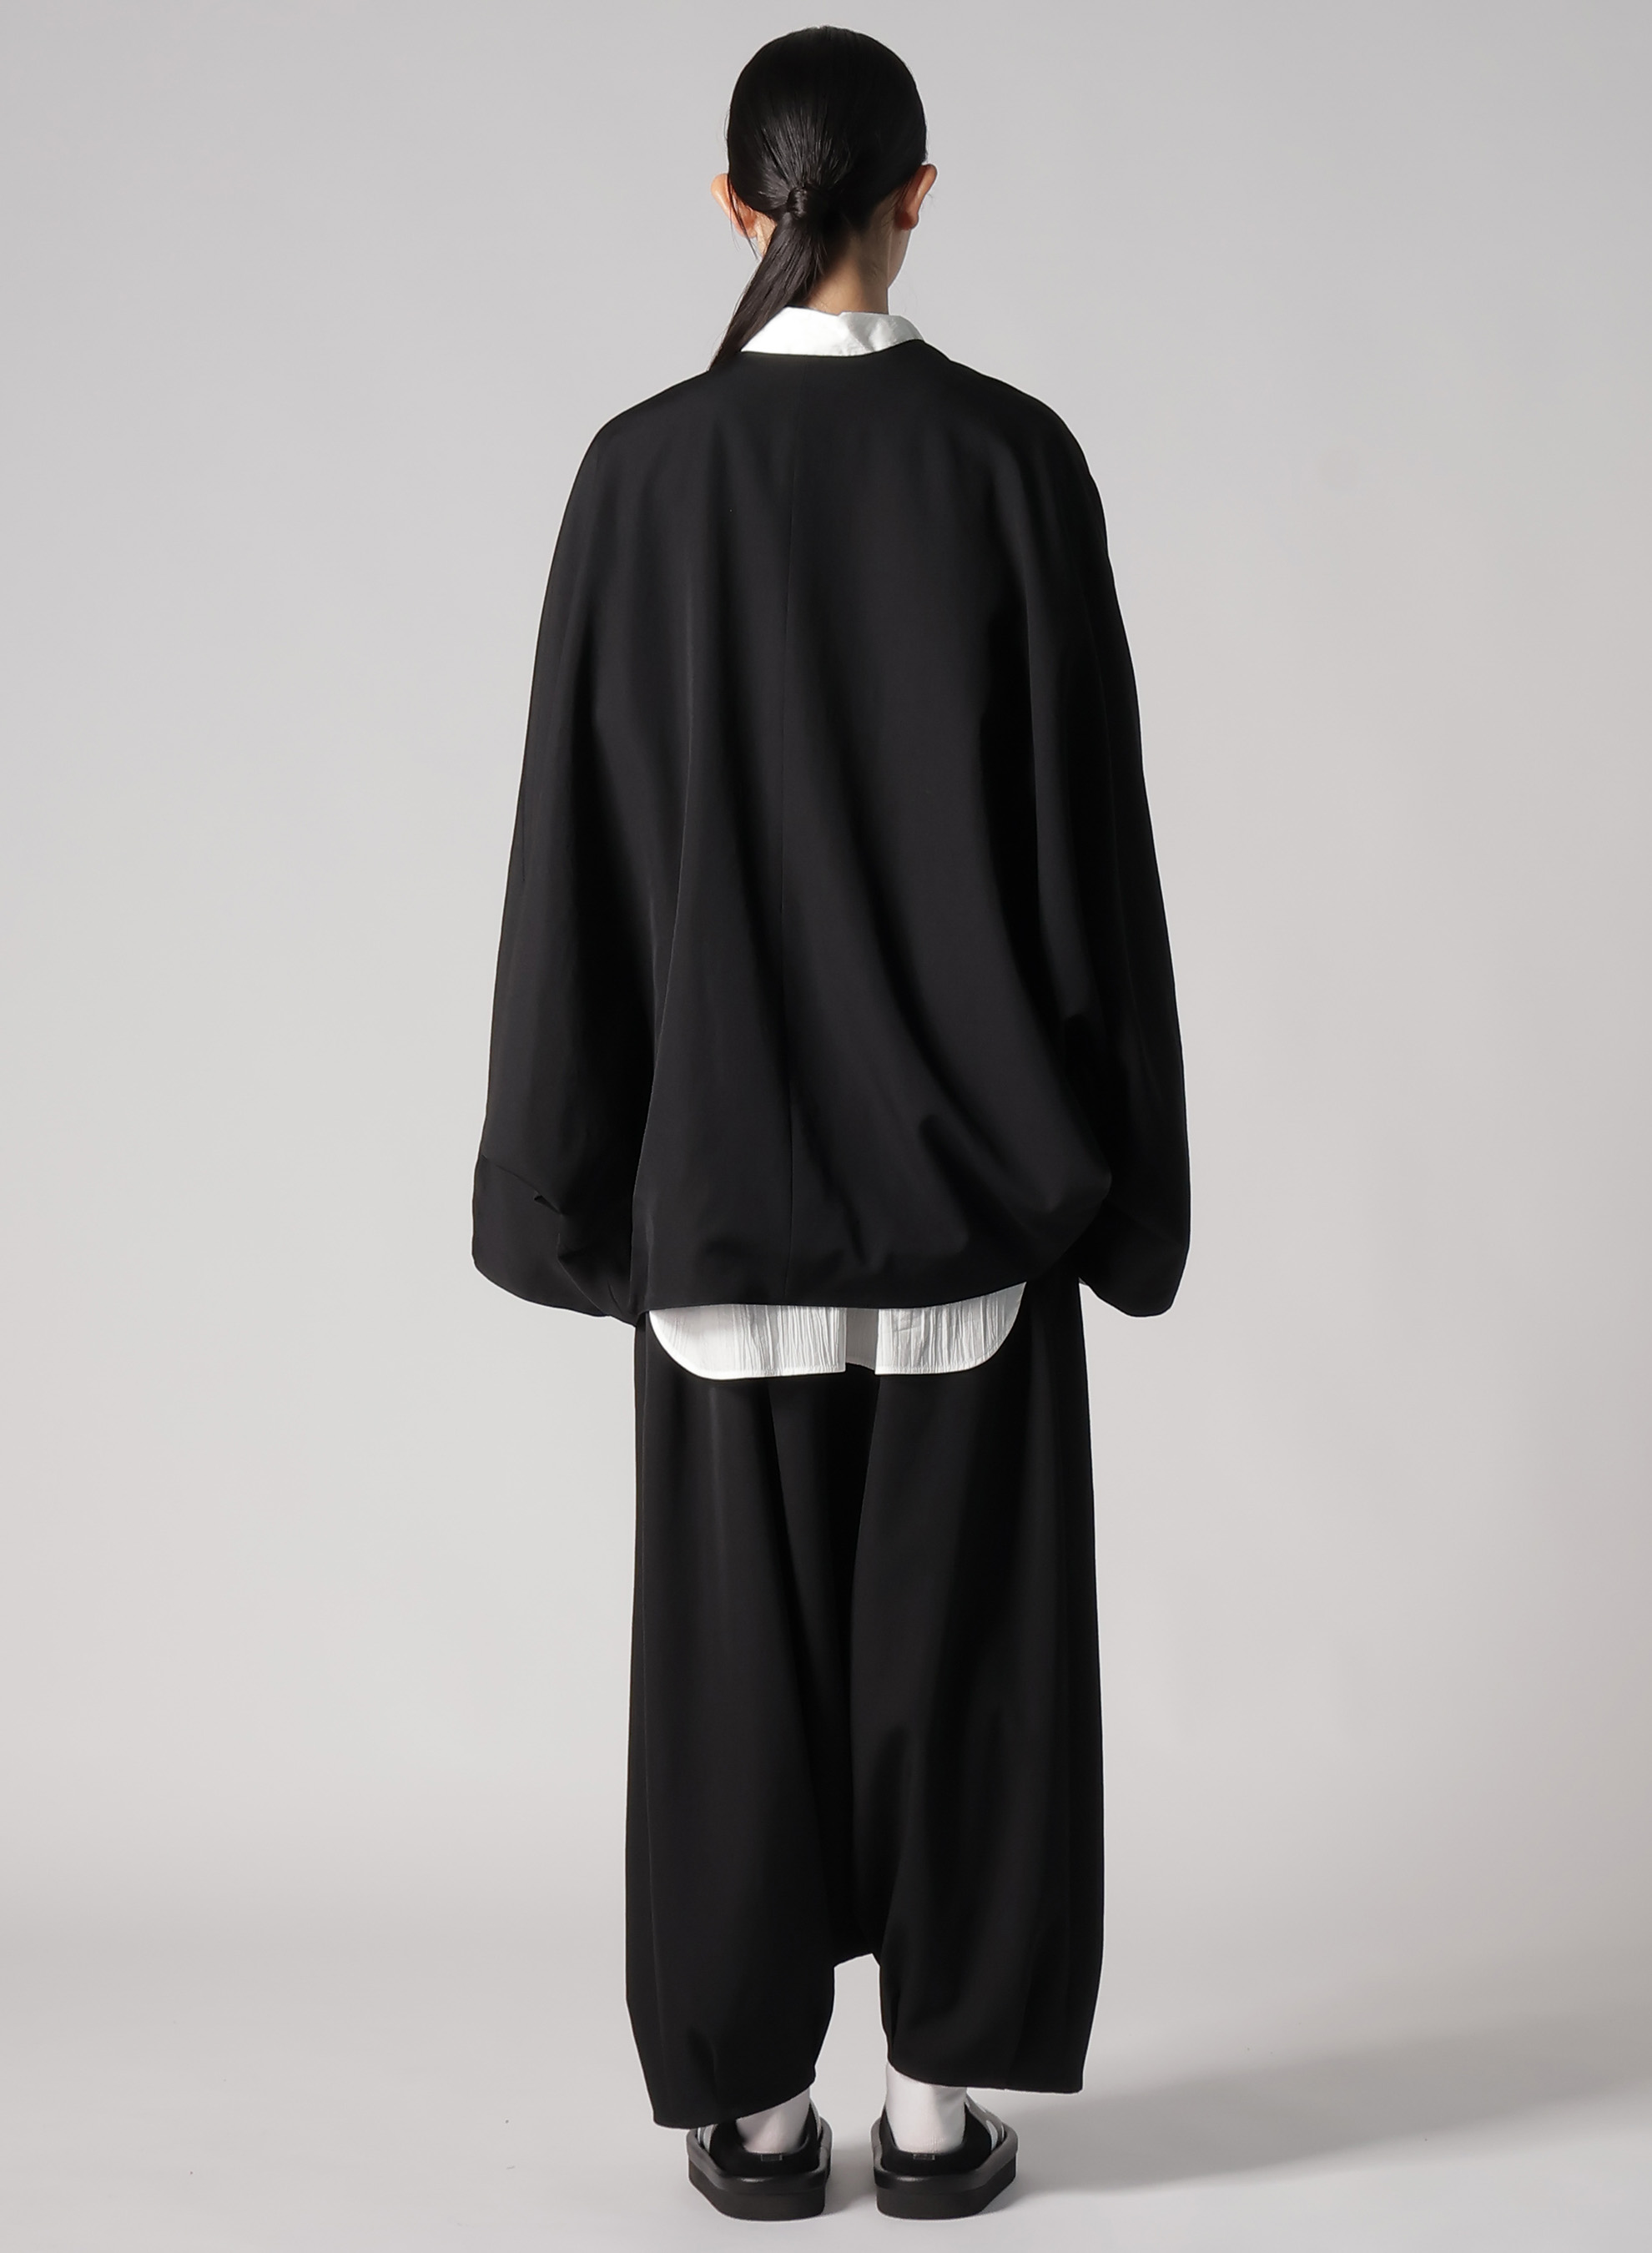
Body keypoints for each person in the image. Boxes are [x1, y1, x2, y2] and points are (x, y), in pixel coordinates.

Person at [473, 25, 1188, 2223]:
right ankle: (941, 2109)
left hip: (721, 1208)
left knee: (733, 1695)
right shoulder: (1010, 463)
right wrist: (1120, 1181)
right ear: (917, 195)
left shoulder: (640, 476)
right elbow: (1088, 859)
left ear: (734, 205)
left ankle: (759, 2117)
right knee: (970, 1678)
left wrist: (569, 1182)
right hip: (969, 1201)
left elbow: (578, 860)